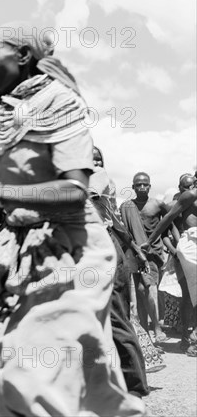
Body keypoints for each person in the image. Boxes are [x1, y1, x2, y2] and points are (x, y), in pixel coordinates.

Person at [0, 23, 145, 416]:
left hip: (72, 252)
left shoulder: (60, 105)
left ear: (24, 57)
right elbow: (20, 195)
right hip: (25, 250)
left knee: (36, 367)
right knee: (18, 367)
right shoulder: (14, 115)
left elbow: (74, 191)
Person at [89, 147, 151, 397]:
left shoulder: (97, 176)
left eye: (97, 159)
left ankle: (134, 385)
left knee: (115, 316)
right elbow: (118, 224)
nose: (93, 162)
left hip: (101, 248)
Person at [141, 176, 197, 357]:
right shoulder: (188, 197)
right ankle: (188, 337)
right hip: (188, 249)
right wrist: (150, 241)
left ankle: (192, 336)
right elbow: (168, 220)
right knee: (188, 296)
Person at [120, 173, 170, 343]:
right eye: (138, 184)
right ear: (133, 187)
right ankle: (146, 330)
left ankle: (156, 327)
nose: (142, 187)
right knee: (140, 291)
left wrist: (171, 247)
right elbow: (125, 233)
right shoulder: (127, 206)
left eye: (145, 184)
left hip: (152, 254)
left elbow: (170, 224)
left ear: (150, 186)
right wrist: (134, 250)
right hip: (134, 253)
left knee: (148, 289)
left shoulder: (158, 204)